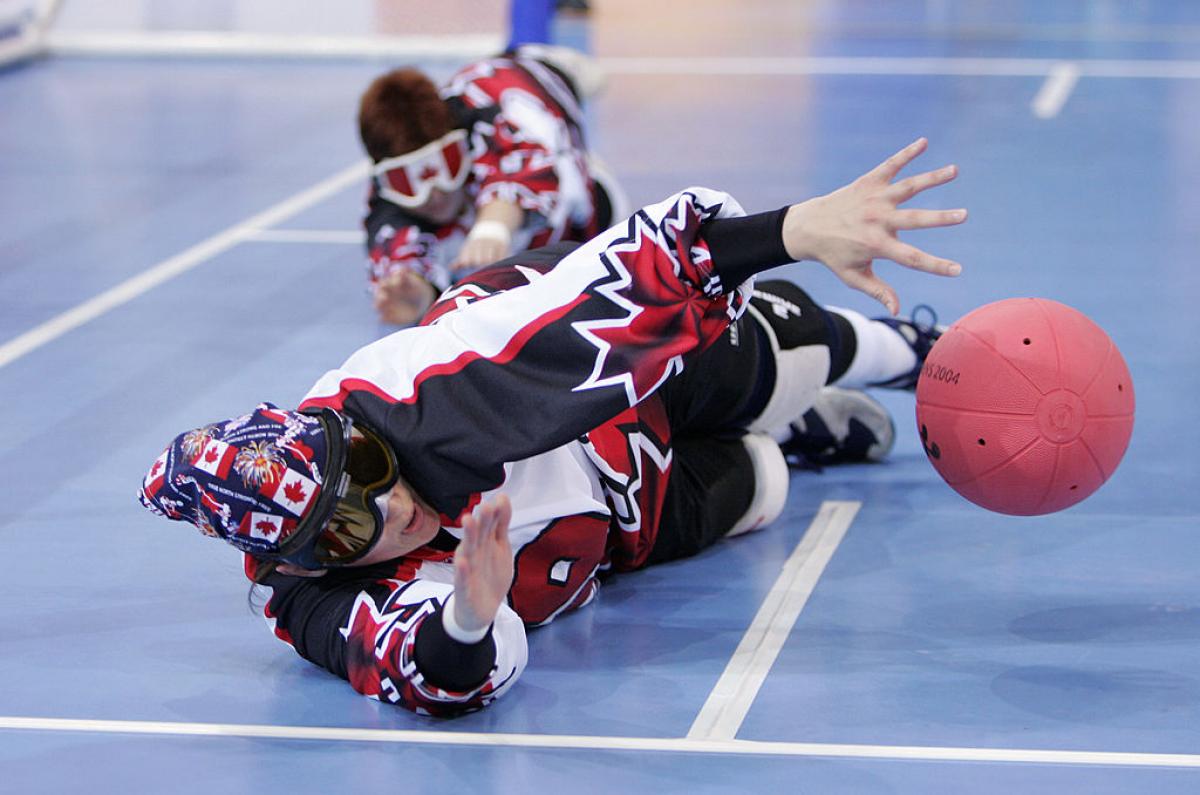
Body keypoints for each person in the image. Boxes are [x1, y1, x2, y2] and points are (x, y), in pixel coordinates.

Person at [139, 138, 965, 716]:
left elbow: (610, 300)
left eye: (363, 464)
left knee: (791, 351)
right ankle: (793, 435)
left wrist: (791, 231)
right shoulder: (308, 600)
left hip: (607, 390)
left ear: (342, 427)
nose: (389, 505)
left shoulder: (419, 397)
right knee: (764, 485)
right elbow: (419, 670)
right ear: (309, 561)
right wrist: (466, 615)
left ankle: (914, 355)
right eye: (350, 525)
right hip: (613, 530)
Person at [359, 44, 621, 325]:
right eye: (406, 182)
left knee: (585, 203)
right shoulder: (384, 204)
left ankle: (553, 64)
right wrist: (422, 295)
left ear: (459, 146)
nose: (433, 193)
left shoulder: (499, 111)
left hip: (528, 80)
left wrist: (492, 230)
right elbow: (396, 260)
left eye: (444, 165)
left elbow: (524, 164)